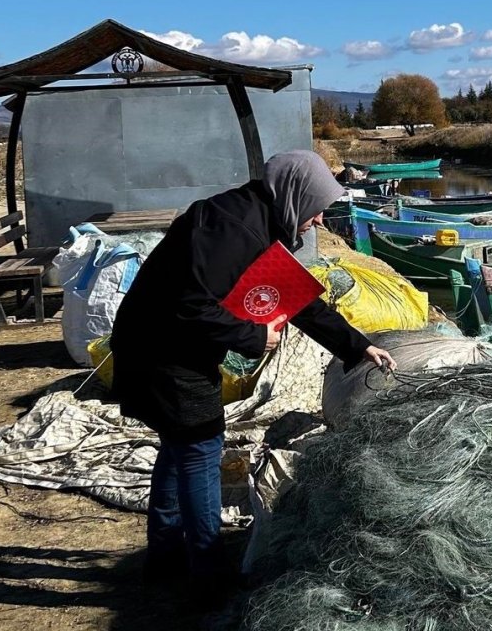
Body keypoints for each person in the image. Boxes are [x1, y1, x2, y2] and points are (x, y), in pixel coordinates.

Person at [109, 150, 395, 589]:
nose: (319, 221)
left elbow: (297, 300)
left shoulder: (258, 220)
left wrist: (359, 348)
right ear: (297, 195)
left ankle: (165, 558)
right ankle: (208, 575)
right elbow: (190, 304)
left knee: (180, 446)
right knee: (201, 447)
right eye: (317, 208)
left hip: (167, 348)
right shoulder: (233, 228)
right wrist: (252, 336)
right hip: (161, 355)